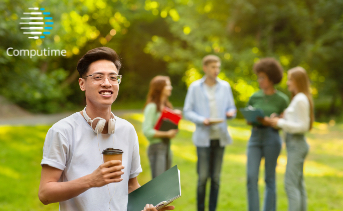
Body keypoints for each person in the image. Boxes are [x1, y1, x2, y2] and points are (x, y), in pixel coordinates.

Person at [38, 47, 174, 211]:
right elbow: (45, 193)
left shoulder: (127, 130)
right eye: (98, 77)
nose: (107, 83)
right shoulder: (62, 131)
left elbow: (131, 186)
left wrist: (149, 206)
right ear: (82, 84)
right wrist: (91, 180)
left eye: (113, 77)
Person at [183, 55, 237, 211]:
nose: (216, 70)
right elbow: (187, 111)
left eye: (218, 67)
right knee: (202, 178)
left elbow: (231, 108)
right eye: (213, 67)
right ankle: (201, 208)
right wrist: (202, 120)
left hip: (220, 137)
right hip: (203, 138)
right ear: (205, 68)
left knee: (216, 179)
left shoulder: (225, 86)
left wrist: (231, 113)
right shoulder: (195, 87)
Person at [265, 66, 314, 211]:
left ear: (298, 81)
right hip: (294, 144)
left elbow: (304, 126)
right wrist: (280, 118)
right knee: (298, 184)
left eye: (290, 79)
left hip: (297, 145)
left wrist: (280, 123)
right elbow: (295, 120)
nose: (287, 83)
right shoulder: (298, 98)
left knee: (290, 185)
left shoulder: (300, 99)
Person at [246, 58, 289, 211]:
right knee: (251, 178)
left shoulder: (282, 99)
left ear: (271, 78)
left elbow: (285, 121)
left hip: (272, 137)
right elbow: (248, 116)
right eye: (259, 77)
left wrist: (273, 121)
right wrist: (252, 119)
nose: (260, 80)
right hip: (255, 137)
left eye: (262, 77)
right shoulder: (254, 97)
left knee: (269, 179)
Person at [142, 76, 180, 179]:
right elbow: (147, 131)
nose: (170, 87)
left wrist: (175, 118)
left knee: (166, 184)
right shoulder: (152, 107)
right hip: (156, 148)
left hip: (167, 146)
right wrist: (167, 134)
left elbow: (171, 129)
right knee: (158, 184)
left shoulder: (167, 107)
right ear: (159, 88)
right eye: (167, 85)